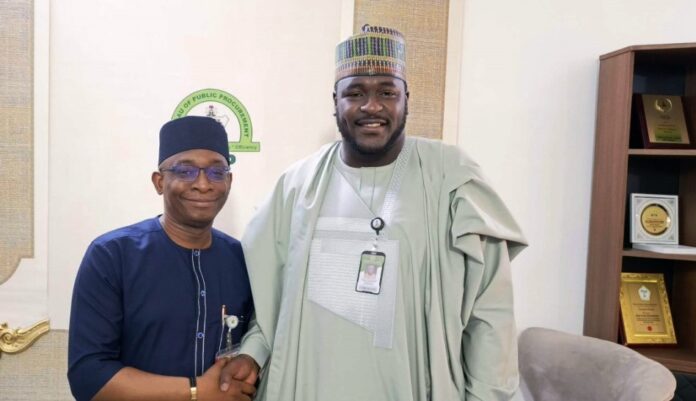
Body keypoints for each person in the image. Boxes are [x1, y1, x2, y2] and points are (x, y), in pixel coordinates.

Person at [225, 25, 527, 400]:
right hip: (309, 385)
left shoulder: (452, 176)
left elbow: (490, 312)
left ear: (406, 99)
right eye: (355, 93)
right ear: (335, 101)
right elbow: (269, 297)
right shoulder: (296, 185)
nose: (372, 106)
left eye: (387, 92)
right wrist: (253, 353)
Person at [68, 116, 258, 401]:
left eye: (217, 172)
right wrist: (196, 392)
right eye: (185, 171)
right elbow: (89, 377)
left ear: (229, 182)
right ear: (159, 181)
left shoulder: (241, 260)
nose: (204, 185)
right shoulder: (112, 256)